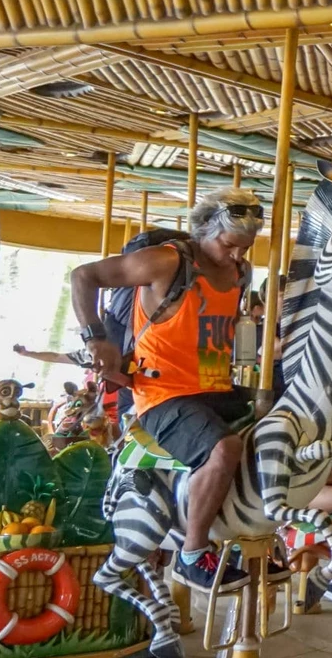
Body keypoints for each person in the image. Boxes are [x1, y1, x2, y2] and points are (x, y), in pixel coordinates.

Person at [72, 189, 263, 589]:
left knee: (280, 423)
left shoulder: (239, 273)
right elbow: (84, 276)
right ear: (206, 231)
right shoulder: (167, 261)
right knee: (223, 448)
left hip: (214, 385)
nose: (237, 256)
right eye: (230, 245)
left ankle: (257, 530)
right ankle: (192, 554)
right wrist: (96, 336)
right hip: (163, 395)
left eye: (244, 248)